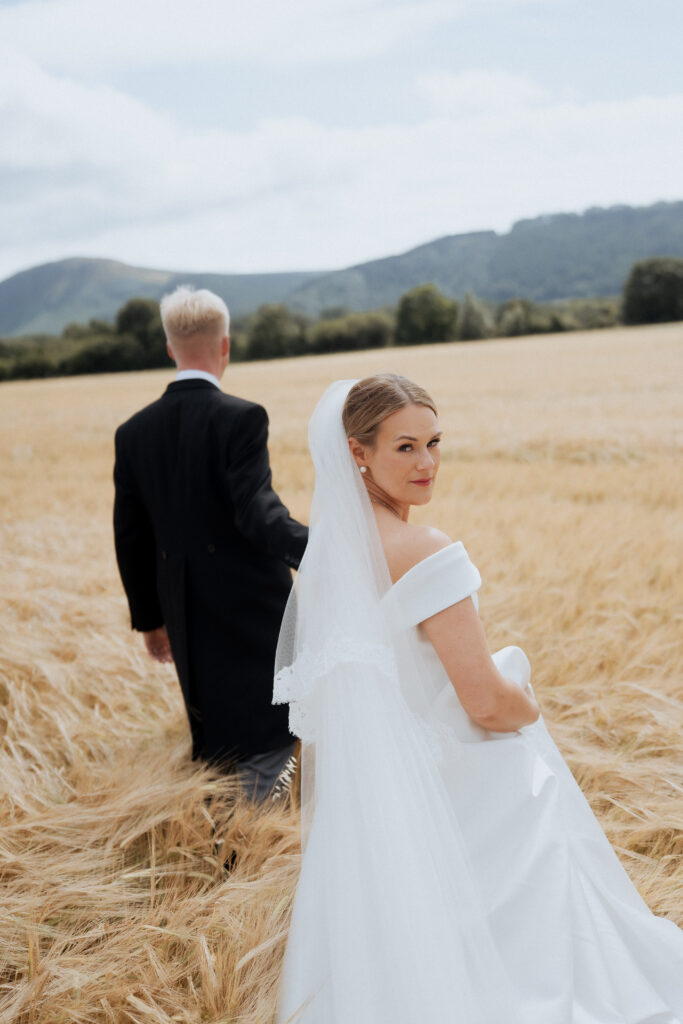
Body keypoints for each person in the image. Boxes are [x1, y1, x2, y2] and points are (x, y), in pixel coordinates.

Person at [272, 374, 683, 1023]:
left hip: (396, 786)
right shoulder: (424, 549)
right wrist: (528, 697)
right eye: (404, 447)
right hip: (469, 780)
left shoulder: (331, 553)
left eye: (433, 442)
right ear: (357, 451)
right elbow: (486, 704)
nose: (427, 462)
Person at [113, 286, 307, 800]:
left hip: (184, 607)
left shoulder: (132, 432)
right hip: (252, 604)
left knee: (214, 722)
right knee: (269, 724)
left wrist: (151, 619)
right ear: (225, 346)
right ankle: (257, 827)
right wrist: (320, 550)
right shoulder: (241, 417)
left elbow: (131, 535)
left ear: (170, 348)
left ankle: (224, 825)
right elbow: (259, 514)